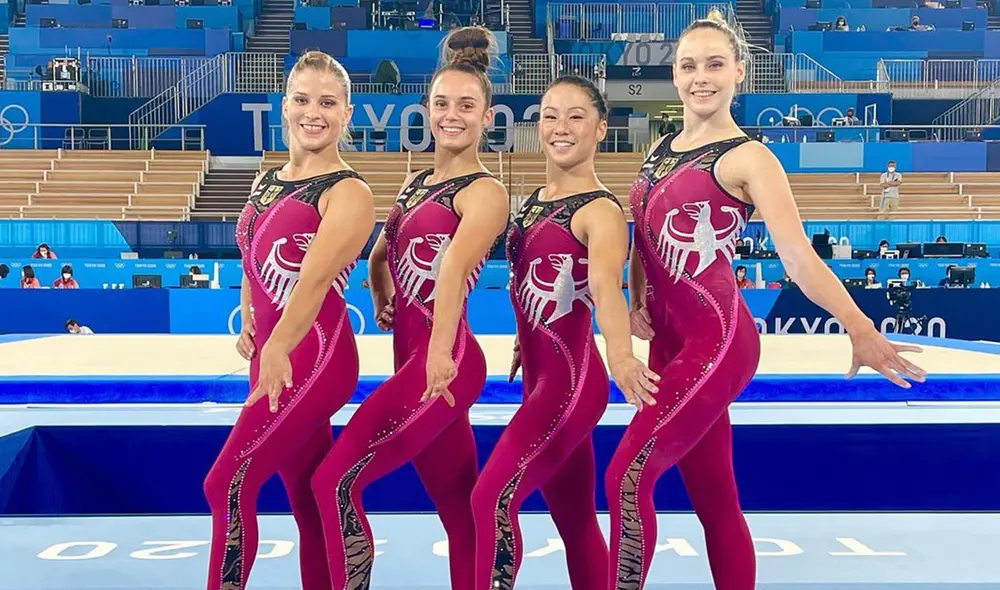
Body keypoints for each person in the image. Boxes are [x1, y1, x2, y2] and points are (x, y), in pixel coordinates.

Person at [609, 10, 928, 590]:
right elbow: (643, 237)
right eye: (688, 66)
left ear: (738, 72)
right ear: (674, 76)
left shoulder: (750, 158)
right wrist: (636, 301)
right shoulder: (659, 149)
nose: (699, 77)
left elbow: (800, 259)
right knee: (714, 500)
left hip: (719, 342)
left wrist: (859, 326)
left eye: (713, 64)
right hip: (670, 345)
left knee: (627, 477)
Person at [308, 25, 510, 590]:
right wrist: (380, 294)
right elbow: (380, 253)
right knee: (459, 509)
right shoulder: (417, 185)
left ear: (487, 117)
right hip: (417, 360)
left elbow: (451, 271)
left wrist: (439, 352)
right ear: (426, 109)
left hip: (443, 365)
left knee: (333, 483)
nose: (452, 115)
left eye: (466, 106)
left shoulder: (484, 191)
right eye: (442, 104)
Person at [470, 75, 659, 590]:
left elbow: (604, 288)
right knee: (574, 523)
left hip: (571, 386)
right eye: (550, 115)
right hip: (542, 377)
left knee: (491, 498)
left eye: (576, 117)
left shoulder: (599, 210)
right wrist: (523, 336)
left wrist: (621, 357)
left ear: (600, 129)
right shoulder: (532, 199)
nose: (560, 127)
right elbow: (537, 279)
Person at [202, 50, 375, 590]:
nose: (313, 113)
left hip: (314, 356)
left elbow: (315, 280)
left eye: (328, 102)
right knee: (308, 498)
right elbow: (252, 250)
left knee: (226, 485)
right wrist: (250, 312)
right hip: (273, 354)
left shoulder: (348, 193)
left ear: (348, 112)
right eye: (302, 100)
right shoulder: (268, 180)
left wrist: (276, 346)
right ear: (284, 106)